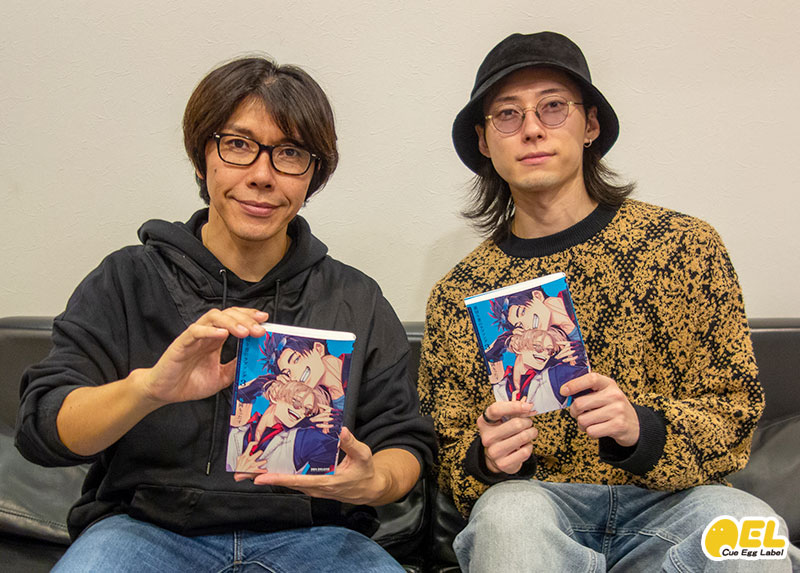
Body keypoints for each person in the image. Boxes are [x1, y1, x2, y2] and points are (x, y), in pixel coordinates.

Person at [15, 56, 435, 572]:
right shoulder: (127, 280)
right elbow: (44, 430)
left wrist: (374, 482)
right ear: (202, 157)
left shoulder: (355, 298)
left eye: (290, 153)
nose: (261, 175)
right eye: (237, 145)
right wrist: (148, 390)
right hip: (145, 531)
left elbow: (404, 440)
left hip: (318, 535)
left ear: (313, 175)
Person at [417, 31, 798, 571]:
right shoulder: (461, 292)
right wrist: (487, 460)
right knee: (507, 516)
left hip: (679, 501)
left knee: (749, 530)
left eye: (553, 107)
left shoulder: (684, 246)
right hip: (536, 505)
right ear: (484, 140)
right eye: (507, 114)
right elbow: (449, 459)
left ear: (590, 125)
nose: (531, 128)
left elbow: (733, 411)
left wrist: (641, 427)